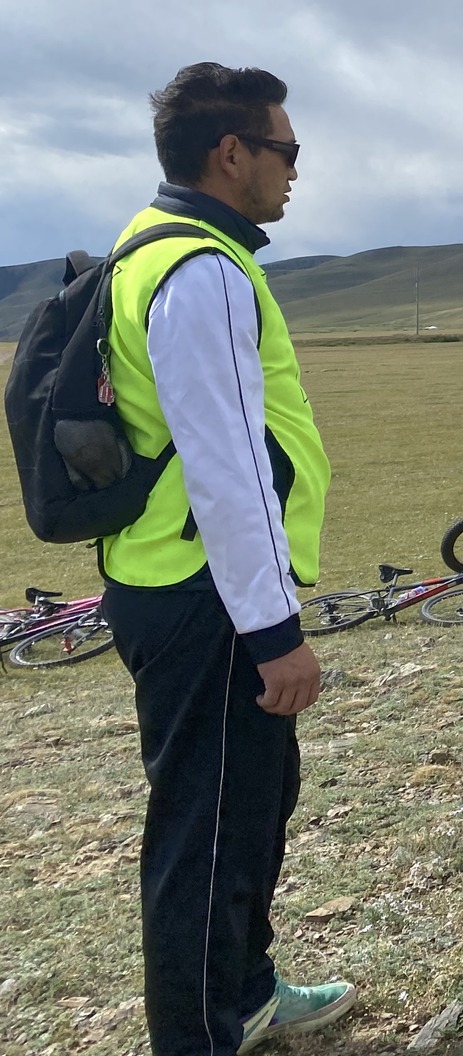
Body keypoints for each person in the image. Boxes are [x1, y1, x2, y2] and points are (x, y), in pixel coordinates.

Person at [96, 64, 357, 1054]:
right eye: (285, 149)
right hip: (204, 594)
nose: (295, 169)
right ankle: (197, 1035)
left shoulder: (151, 245)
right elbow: (228, 468)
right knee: (202, 838)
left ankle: (244, 994)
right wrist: (275, 633)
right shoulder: (199, 272)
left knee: (249, 806)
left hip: (178, 580)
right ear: (232, 153)